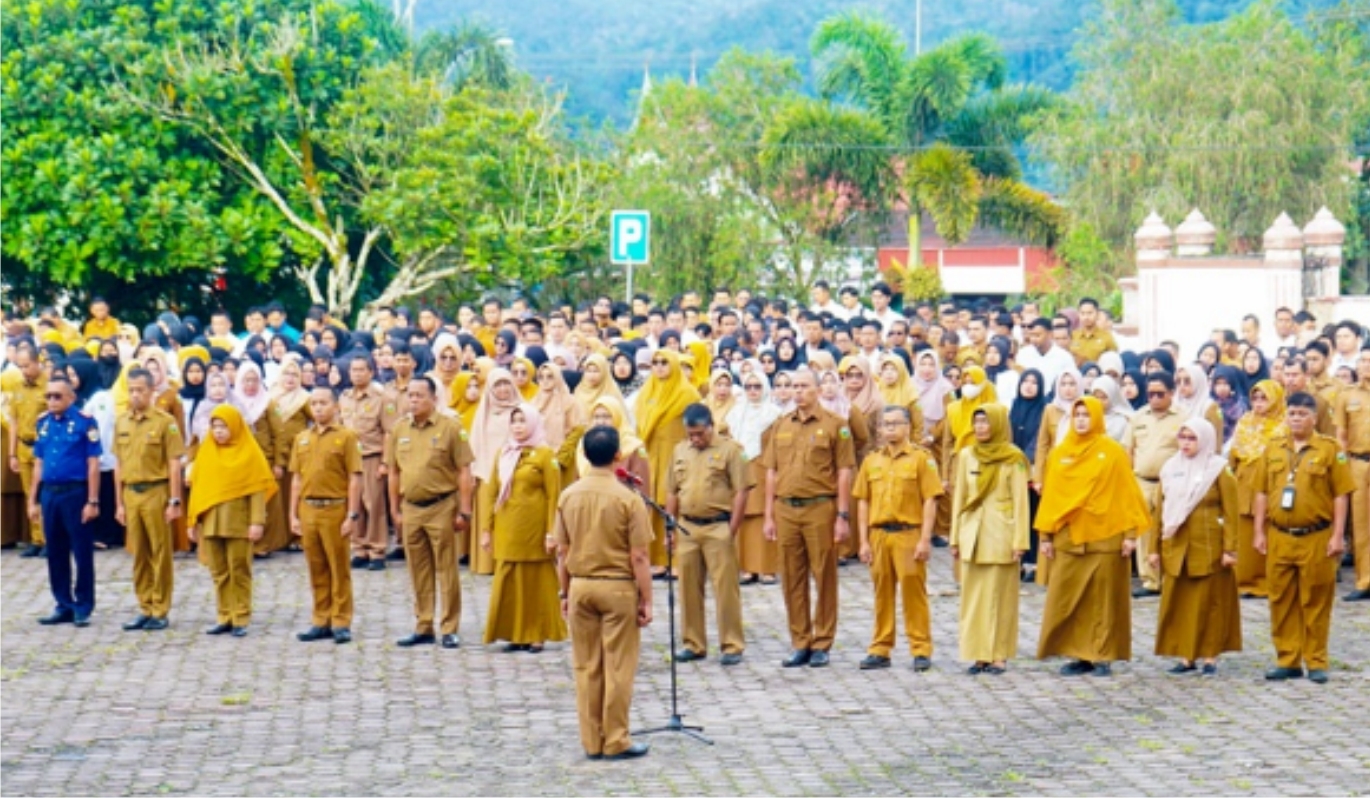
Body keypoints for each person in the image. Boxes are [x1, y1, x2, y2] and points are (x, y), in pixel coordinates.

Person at [553, 425, 654, 761]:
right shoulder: (628, 498)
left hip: (580, 585)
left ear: (583, 454)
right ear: (618, 456)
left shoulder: (568, 495)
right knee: (618, 666)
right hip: (617, 587)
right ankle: (616, 738)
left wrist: (564, 592)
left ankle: (591, 740)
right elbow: (639, 556)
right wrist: (647, 598)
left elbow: (562, 551)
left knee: (586, 666)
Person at [1035, 398, 1151, 677]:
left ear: (1097, 417)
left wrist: (1130, 535)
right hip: (1068, 537)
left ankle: (1102, 654)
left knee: (1103, 600)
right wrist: (1046, 536)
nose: (1081, 420)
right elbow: (1051, 497)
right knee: (1070, 598)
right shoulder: (1060, 453)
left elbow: (1126, 495)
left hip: (1105, 536)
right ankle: (1078, 654)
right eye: (1077, 415)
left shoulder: (1112, 452)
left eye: (1087, 415)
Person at [1252, 392, 1354, 683]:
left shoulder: (1330, 449)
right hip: (1280, 535)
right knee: (1280, 599)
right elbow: (1261, 492)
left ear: (1313, 417)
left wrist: (1338, 535)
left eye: (1302, 414)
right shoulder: (1273, 448)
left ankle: (1316, 660)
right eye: (1292, 413)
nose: (1296, 419)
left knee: (1316, 599)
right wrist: (1258, 531)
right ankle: (1288, 659)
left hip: (1315, 535)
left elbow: (1341, 495)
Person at [761, 368, 856, 668]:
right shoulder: (781, 425)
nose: (798, 391)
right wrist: (768, 515)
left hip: (820, 507)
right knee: (791, 576)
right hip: (786, 508)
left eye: (804, 386)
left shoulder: (835, 425)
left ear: (817, 389)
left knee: (824, 574)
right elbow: (771, 472)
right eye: (794, 386)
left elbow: (844, 472)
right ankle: (800, 641)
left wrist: (842, 515)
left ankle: (822, 641)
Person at [386, 376, 474, 649]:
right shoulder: (399, 429)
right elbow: (393, 472)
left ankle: (449, 627)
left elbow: (464, 471)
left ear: (434, 398)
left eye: (419, 395)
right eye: (410, 395)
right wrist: (394, 510)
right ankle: (423, 624)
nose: (413, 400)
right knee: (418, 569)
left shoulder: (451, 428)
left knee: (446, 568)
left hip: (441, 505)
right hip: (411, 507)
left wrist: (465, 510)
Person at [1148, 418, 1241, 676]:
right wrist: (1153, 548)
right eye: (1183, 437)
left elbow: (1231, 512)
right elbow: (1160, 512)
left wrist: (1230, 549)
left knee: (1210, 603)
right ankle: (1186, 656)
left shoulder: (1219, 469)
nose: (1186, 443)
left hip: (1209, 546)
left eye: (1192, 438)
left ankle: (1210, 657)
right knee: (1181, 603)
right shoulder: (1170, 468)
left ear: (1205, 440)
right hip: (1176, 546)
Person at [853, 404, 943, 671]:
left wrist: (925, 539)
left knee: (914, 594)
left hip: (908, 533)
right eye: (885, 424)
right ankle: (880, 648)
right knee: (882, 593)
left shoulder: (921, 459)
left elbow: (930, 500)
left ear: (907, 427)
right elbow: (863, 501)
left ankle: (921, 649)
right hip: (879, 534)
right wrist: (863, 541)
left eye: (895, 423)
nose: (889, 429)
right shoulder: (872, 460)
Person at [665, 403, 751, 666]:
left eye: (700, 434)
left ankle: (731, 644)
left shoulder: (731, 450)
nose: (695, 439)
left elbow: (742, 491)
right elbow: (671, 491)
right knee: (688, 588)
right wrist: (670, 526)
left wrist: (732, 528)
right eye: (691, 434)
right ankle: (693, 643)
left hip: (718, 525)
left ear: (711, 427)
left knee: (725, 589)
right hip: (687, 526)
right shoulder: (680, 450)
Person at [479, 404, 566, 652]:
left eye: (523, 421)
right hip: (508, 528)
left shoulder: (545, 454)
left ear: (533, 423)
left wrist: (552, 532)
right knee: (509, 580)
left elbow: (554, 496)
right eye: (514, 421)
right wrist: (486, 529)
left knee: (535, 582)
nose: (518, 426)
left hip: (534, 530)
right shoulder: (504, 453)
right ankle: (514, 633)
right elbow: (491, 493)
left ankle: (537, 633)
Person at [949, 405, 1029, 674]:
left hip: (1001, 534)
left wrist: (1020, 541)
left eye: (986, 421)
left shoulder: (1013, 457)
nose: (981, 427)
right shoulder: (967, 455)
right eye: (977, 422)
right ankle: (979, 654)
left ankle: (999, 654)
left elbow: (1021, 501)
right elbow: (960, 497)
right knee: (974, 599)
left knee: (1001, 598)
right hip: (972, 534)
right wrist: (955, 537)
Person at [187, 405, 277, 637]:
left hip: (239, 522)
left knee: (239, 569)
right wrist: (193, 521)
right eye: (215, 426)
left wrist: (256, 522)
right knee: (218, 570)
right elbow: (198, 488)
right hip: (211, 522)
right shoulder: (206, 452)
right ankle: (224, 615)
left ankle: (241, 616)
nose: (218, 431)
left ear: (236, 427)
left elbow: (257, 490)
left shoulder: (249, 453)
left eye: (224, 426)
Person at [113, 368, 186, 631]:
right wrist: (119, 503)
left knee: (160, 552)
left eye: (140, 390)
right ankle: (144, 606)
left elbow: (174, 463)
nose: (135, 395)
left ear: (152, 391)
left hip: (156, 491)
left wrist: (174, 500)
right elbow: (119, 464)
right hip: (132, 493)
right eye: (131, 390)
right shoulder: (122, 422)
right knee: (139, 553)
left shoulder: (165, 422)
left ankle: (160, 608)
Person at [289, 387, 363, 645]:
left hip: (335, 508)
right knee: (316, 566)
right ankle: (321, 619)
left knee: (338, 567)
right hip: (308, 508)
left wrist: (352, 515)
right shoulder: (302, 438)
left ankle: (341, 620)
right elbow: (296, 480)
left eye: (323, 402)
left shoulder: (347, 437)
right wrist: (293, 515)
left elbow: (354, 478)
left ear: (336, 406)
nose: (318, 408)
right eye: (314, 403)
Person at [28, 376, 103, 627]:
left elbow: (93, 463)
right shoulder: (43, 423)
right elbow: (38, 463)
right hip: (50, 493)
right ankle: (63, 603)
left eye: (57, 396)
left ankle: (83, 605)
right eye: (48, 396)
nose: (52, 401)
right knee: (55, 551)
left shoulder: (85, 422)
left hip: (75, 493)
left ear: (71, 397)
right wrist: (33, 499)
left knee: (81, 551)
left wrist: (92, 500)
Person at [635, 349, 699, 577]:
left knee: (675, 503)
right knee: (653, 503)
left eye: (665, 362)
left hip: (677, 455)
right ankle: (658, 559)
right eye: (655, 362)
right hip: (651, 455)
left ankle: (678, 559)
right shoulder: (646, 392)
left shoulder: (687, 394)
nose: (660, 366)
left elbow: (696, 427)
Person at [1123, 371, 1184, 599]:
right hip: (1142, 481)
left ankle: (1169, 577)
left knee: (1169, 530)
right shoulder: (1138, 417)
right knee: (1144, 531)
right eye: (1150, 394)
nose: (1155, 399)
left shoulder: (1183, 417)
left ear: (1171, 393)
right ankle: (1149, 580)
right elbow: (1128, 449)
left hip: (1170, 483)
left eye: (1160, 394)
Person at [1229, 380, 1287, 599]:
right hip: (1245, 481)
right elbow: (1234, 453)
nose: (1259, 403)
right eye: (1255, 398)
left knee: (1268, 530)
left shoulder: (1284, 425)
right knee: (1244, 532)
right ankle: (1245, 581)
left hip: (1272, 482)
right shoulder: (1245, 421)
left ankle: (1268, 582)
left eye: (1264, 398)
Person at [339, 356, 397, 570]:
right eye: (353, 370)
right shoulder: (344, 397)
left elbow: (389, 432)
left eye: (361, 369)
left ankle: (376, 550)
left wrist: (385, 462)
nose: (357, 374)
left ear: (371, 372)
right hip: (350, 459)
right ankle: (359, 548)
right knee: (354, 505)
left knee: (374, 505)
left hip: (372, 456)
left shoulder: (382, 398)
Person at [725, 372, 781, 586]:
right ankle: (746, 568)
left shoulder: (774, 414)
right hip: (740, 468)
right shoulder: (736, 413)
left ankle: (767, 568)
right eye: (748, 387)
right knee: (742, 514)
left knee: (764, 514)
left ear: (765, 387)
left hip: (764, 468)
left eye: (757, 386)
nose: (753, 391)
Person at [1333, 348, 1370, 602]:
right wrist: (1342, 466)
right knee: (1361, 525)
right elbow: (1341, 436)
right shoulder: (1347, 395)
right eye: (1363, 360)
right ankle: (1365, 580)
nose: (1366, 365)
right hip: (1358, 462)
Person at [8, 344, 48, 556]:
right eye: (20, 366)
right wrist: (12, 453)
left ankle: (49, 539)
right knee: (29, 493)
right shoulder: (17, 386)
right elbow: (14, 421)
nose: (24, 370)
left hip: (43, 447)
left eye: (27, 365)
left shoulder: (49, 385)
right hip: (23, 446)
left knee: (44, 493)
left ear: (37, 362)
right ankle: (36, 539)